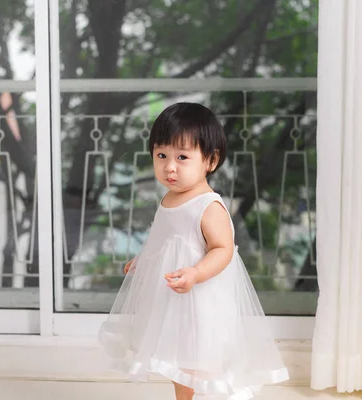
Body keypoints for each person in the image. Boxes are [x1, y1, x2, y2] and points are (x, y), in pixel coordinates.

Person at [98, 102, 289, 400]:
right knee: (177, 358)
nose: (169, 166)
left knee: (199, 361)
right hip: (172, 298)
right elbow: (164, 239)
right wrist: (144, 259)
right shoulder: (169, 199)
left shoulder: (207, 205)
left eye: (182, 157)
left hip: (200, 301)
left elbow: (223, 249)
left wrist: (197, 272)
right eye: (161, 155)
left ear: (210, 161)